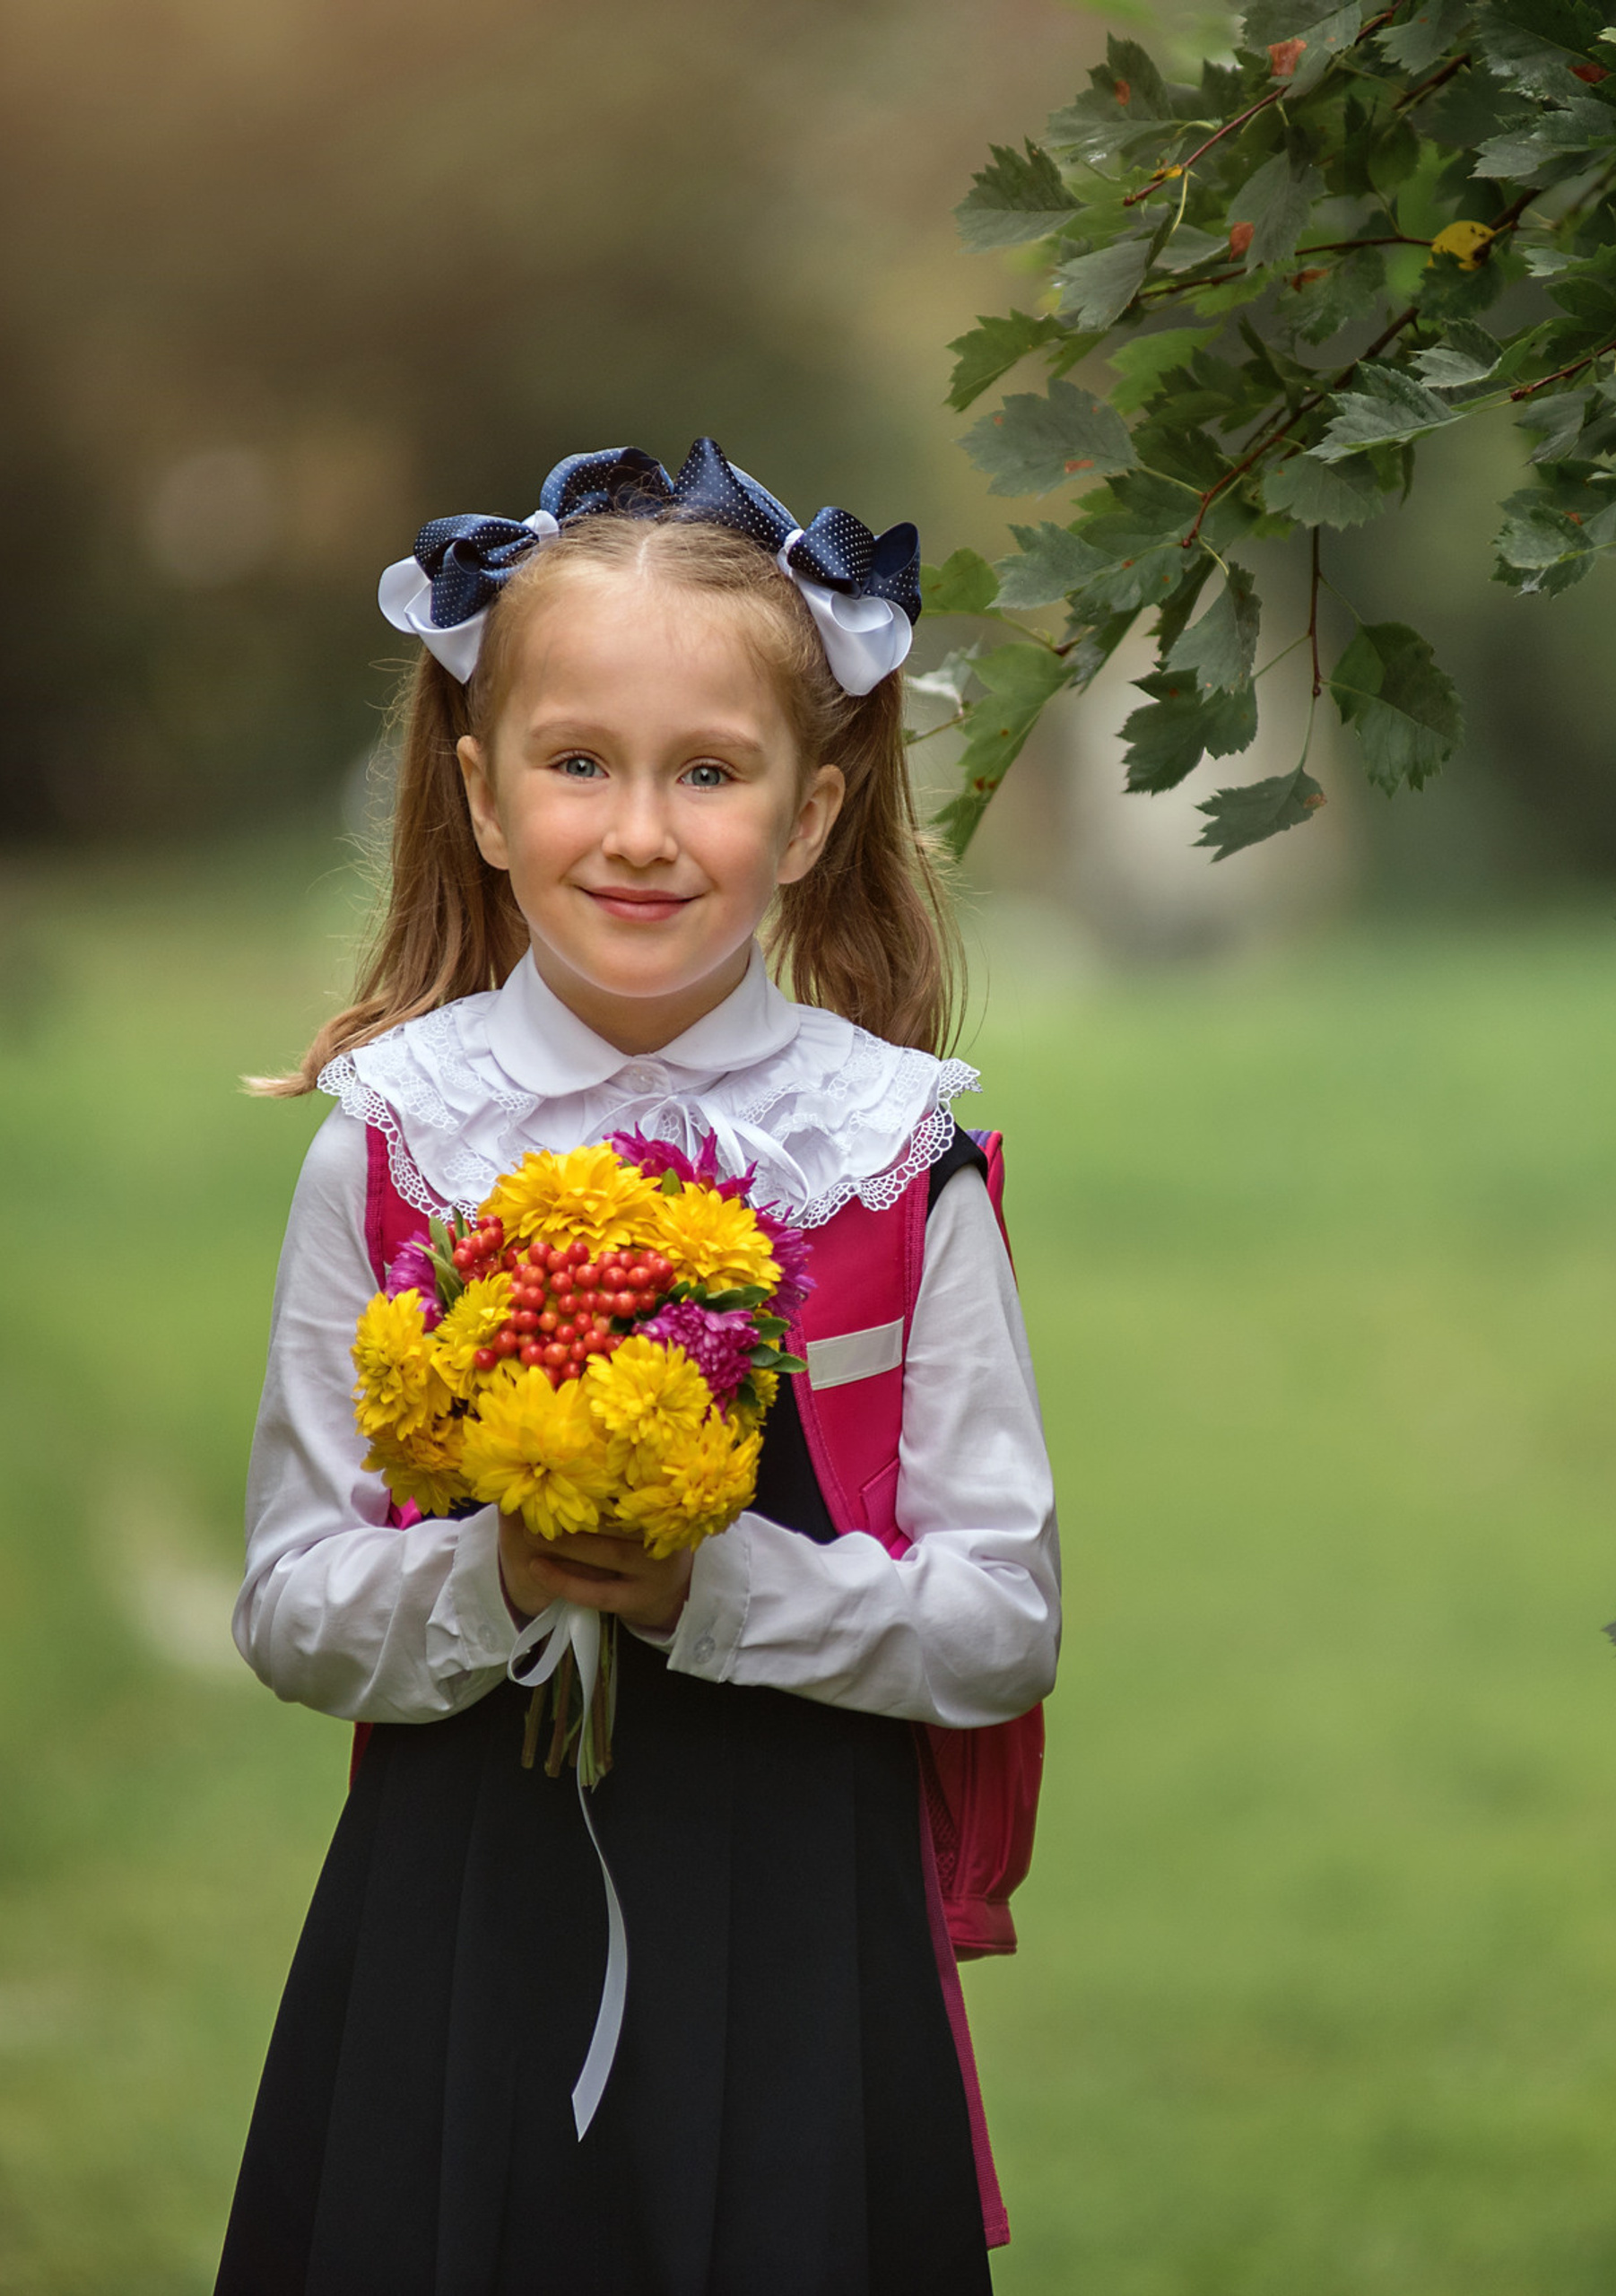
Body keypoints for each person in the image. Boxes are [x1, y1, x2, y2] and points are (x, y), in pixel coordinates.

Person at [214, 441, 1059, 2296]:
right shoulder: (392, 1145)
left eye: (710, 771)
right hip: (459, 1929)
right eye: (579, 761)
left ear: (813, 812)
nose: (641, 832)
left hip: (801, 1934)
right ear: (481, 793)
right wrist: (501, 1570)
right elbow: (288, 1604)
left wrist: (712, 1590)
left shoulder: (892, 1159)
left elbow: (1003, 1624)